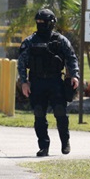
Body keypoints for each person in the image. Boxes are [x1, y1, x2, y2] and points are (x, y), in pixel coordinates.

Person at [17, 9, 80, 157]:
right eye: (38, 22)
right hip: (37, 82)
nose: (40, 25)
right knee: (39, 113)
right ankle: (43, 146)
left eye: (43, 22)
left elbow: (71, 58)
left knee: (60, 111)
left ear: (51, 23)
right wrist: (24, 82)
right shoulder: (30, 41)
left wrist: (75, 75)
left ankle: (65, 142)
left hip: (55, 81)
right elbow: (21, 63)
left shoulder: (60, 40)